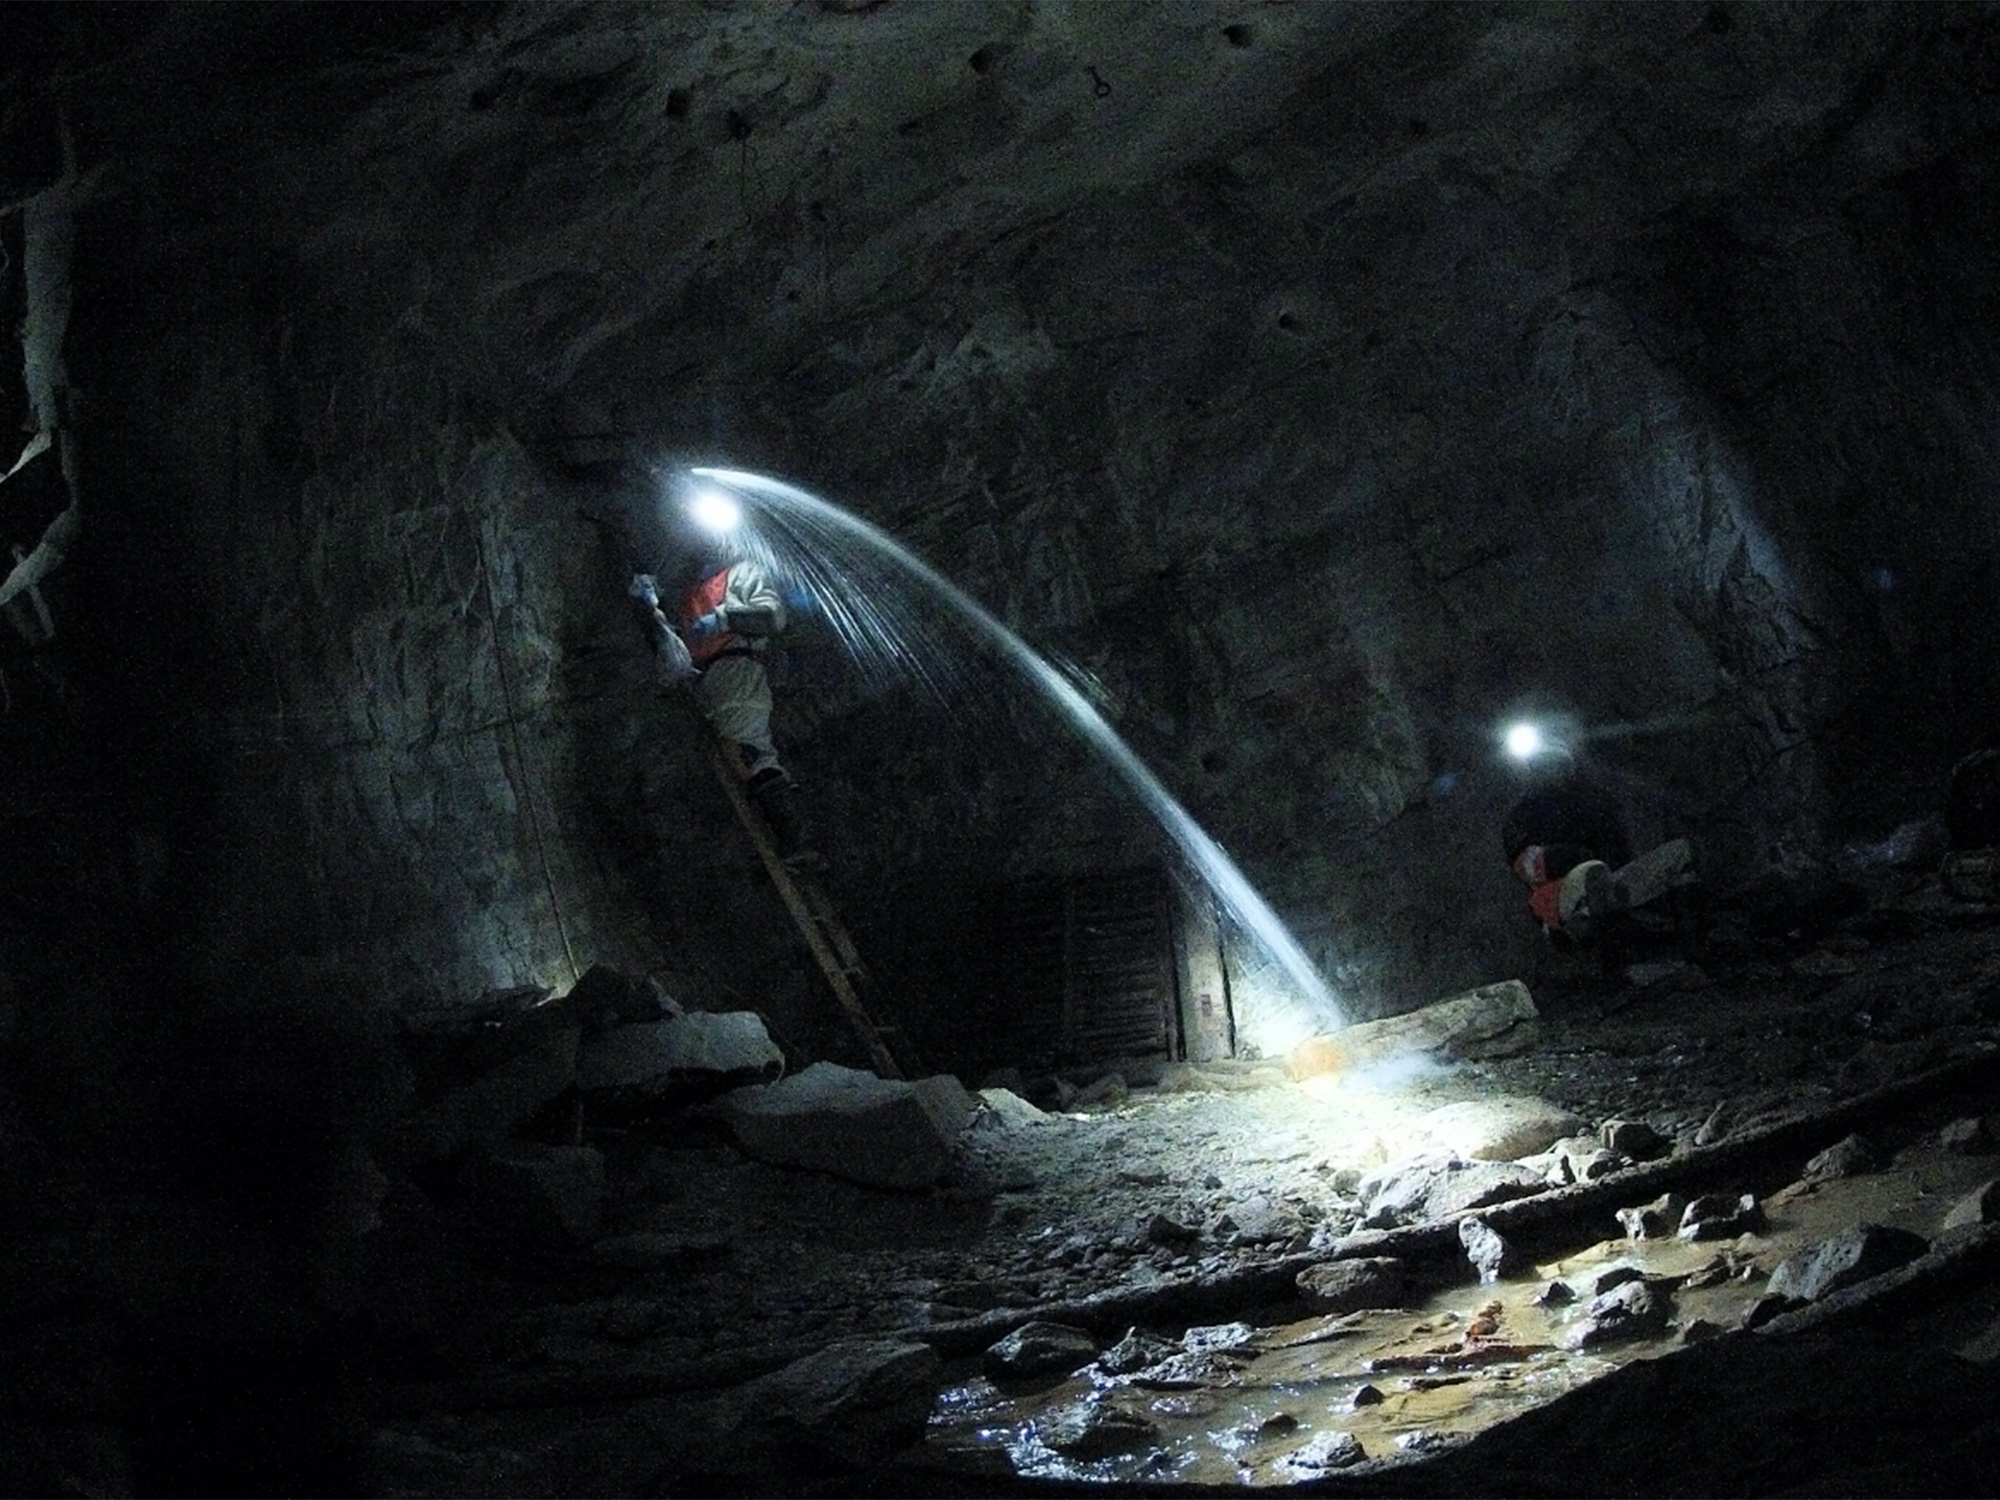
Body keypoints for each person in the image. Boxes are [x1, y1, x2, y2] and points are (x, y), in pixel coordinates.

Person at [630, 549, 822, 869]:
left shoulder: (744, 572)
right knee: (742, 753)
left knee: (751, 753)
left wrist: (724, 618)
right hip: (709, 677)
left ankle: (796, 841)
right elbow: (676, 637)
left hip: (736, 671)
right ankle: (793, 838)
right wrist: (650, 603)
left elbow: (772, 617)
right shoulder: (693, 589)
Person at [1503, 759, 1698, 956]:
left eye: (1558, 765)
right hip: (1560, 897)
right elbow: (1527, 866)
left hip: (1610, 884)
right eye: (1545, 766)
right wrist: (1573, 856)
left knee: (1679, 851)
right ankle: (1599, 951)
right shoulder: (1524, 813)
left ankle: (1692, 945)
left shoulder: (1594, 801)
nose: (1552, 772)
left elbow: (1619, 853)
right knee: (1591, 870)